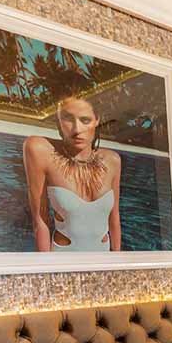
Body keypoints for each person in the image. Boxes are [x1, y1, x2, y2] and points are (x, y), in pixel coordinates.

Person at [22, 96, 122, 251]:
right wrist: (46, 264)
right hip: (64, 258)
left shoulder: (112, 160)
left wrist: (117, 259)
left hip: (104, 258)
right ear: (58, 121)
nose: (77, 130)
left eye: (85, 120)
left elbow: (114, 219)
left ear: (97, 120)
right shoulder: (40, 151)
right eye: (68, 119)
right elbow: (40, 220)